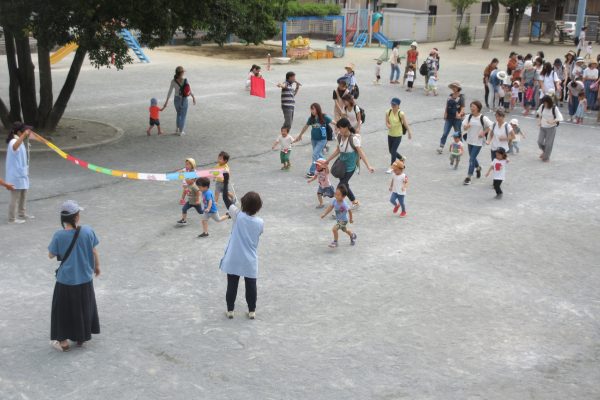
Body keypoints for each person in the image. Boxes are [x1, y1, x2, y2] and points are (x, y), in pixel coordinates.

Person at [48, 200, 100, 352]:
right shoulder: (88, 231)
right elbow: (94, 251)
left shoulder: (59, 235)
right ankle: (80, 337)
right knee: (83, 307)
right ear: (76, 217)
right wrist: (97, 267)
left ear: (63, 219)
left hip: (66, 280)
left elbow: (51, 255)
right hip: (85, 278)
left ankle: (63, 342)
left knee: (62, 310)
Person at [219, 173, 263, 320]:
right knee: (251, 285)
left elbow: (225, 198)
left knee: (232, 285)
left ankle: (230, 310)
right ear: (258, 208)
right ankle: (252, 311)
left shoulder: (237, 215)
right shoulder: (260, 222)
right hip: (250, 259)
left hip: (234, 257)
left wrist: (225, 180)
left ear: (243, 203)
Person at [324, 118, 375, 209]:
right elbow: (338, 150)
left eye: (340, 128)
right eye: (338, 128)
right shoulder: (339, 136)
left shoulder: (354, 139)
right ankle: (355, 202)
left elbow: (361, 153)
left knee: (340, 188)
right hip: (341, 166)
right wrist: (328, 160)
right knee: (345, 185)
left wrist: (368, 166)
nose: (339, 130)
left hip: (350, 167)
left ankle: (340, 208)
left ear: (347, 127)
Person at [5, 122, 39, 224]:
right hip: (15, 175)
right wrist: (24, 135)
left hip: (22, 173)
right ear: (19, 132)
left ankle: (22, 213)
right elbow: (15, 147)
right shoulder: (13, 142)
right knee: (15, 197)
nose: (27, 133)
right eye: (24, 131)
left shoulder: (20, 141)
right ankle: (12, 218)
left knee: (24, 194)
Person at [294, 103, 333, 178]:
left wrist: (341, 127)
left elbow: (333, 122)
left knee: (315, 154)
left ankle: (312, 171)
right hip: (314, 140)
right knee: (319, 155)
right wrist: (300, 135)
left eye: (313, 109)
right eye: (311, 109)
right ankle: (324, 165)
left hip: (322, 140)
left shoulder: (324, 117)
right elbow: (306, 126)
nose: (312, 111)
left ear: (317, 109)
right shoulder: (311, 119)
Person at [462, 100, 492, 186]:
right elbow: (464, 127)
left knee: (471, 158)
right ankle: (478, 168)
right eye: (471, 106)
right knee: (472, 157)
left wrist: (484, 132)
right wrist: (466, 127)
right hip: (470, 140)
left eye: (473, 107)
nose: (472, 108)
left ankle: (468, 177)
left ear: (478, 108)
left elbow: (491, 126)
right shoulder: (469, 117)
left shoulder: (483, 118)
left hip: (478, 142)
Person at [161, 66, 196, 136]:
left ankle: (177, 129)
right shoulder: (185, 80)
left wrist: (166, 101)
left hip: (176, 100)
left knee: (178, 114)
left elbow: (170, 91)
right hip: (183, 100)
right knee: (183, 116)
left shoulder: (173, 81)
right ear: (182, 73)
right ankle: (181, 131)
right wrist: (193, 96)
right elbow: (188, 91)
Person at [385, 97, 413, 173]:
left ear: (398, 105)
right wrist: (388, 125)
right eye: (392, 104)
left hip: (398, 135)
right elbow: (387, 121)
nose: (393, 106)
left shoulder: (401, 113)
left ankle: (392, 166)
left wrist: (409, 132)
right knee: (391, 151)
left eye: (394, 104)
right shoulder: (388, 112)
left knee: (393, 150)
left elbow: (405, 123)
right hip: (390, 134)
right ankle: (401, 158)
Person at [437, 81, 465, 154]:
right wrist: (445, 113)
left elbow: (462, 108)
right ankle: (441, 146)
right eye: (452, 87)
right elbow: (447, 105)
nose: (453, 88)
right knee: (445, 132)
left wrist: (460, 114)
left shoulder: (461, 97)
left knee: (457, 133)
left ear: (458, 88)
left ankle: (460, 147)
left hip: (457, 119)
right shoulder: (450, 95)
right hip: (449, 117)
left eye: (455, 87)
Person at [536, 95, 563, 162]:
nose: (544, 104)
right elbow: (539, 114)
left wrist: (552, 121)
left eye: (545, 103)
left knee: (548, 144)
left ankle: (546, 157)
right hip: (542, 127)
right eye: (543, 103)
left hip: (551, 128)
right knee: (539, 142)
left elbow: (560, 117)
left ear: (549, 102)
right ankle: (545, 152)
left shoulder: (554, 108)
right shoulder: (542, 106)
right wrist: (539, 121)